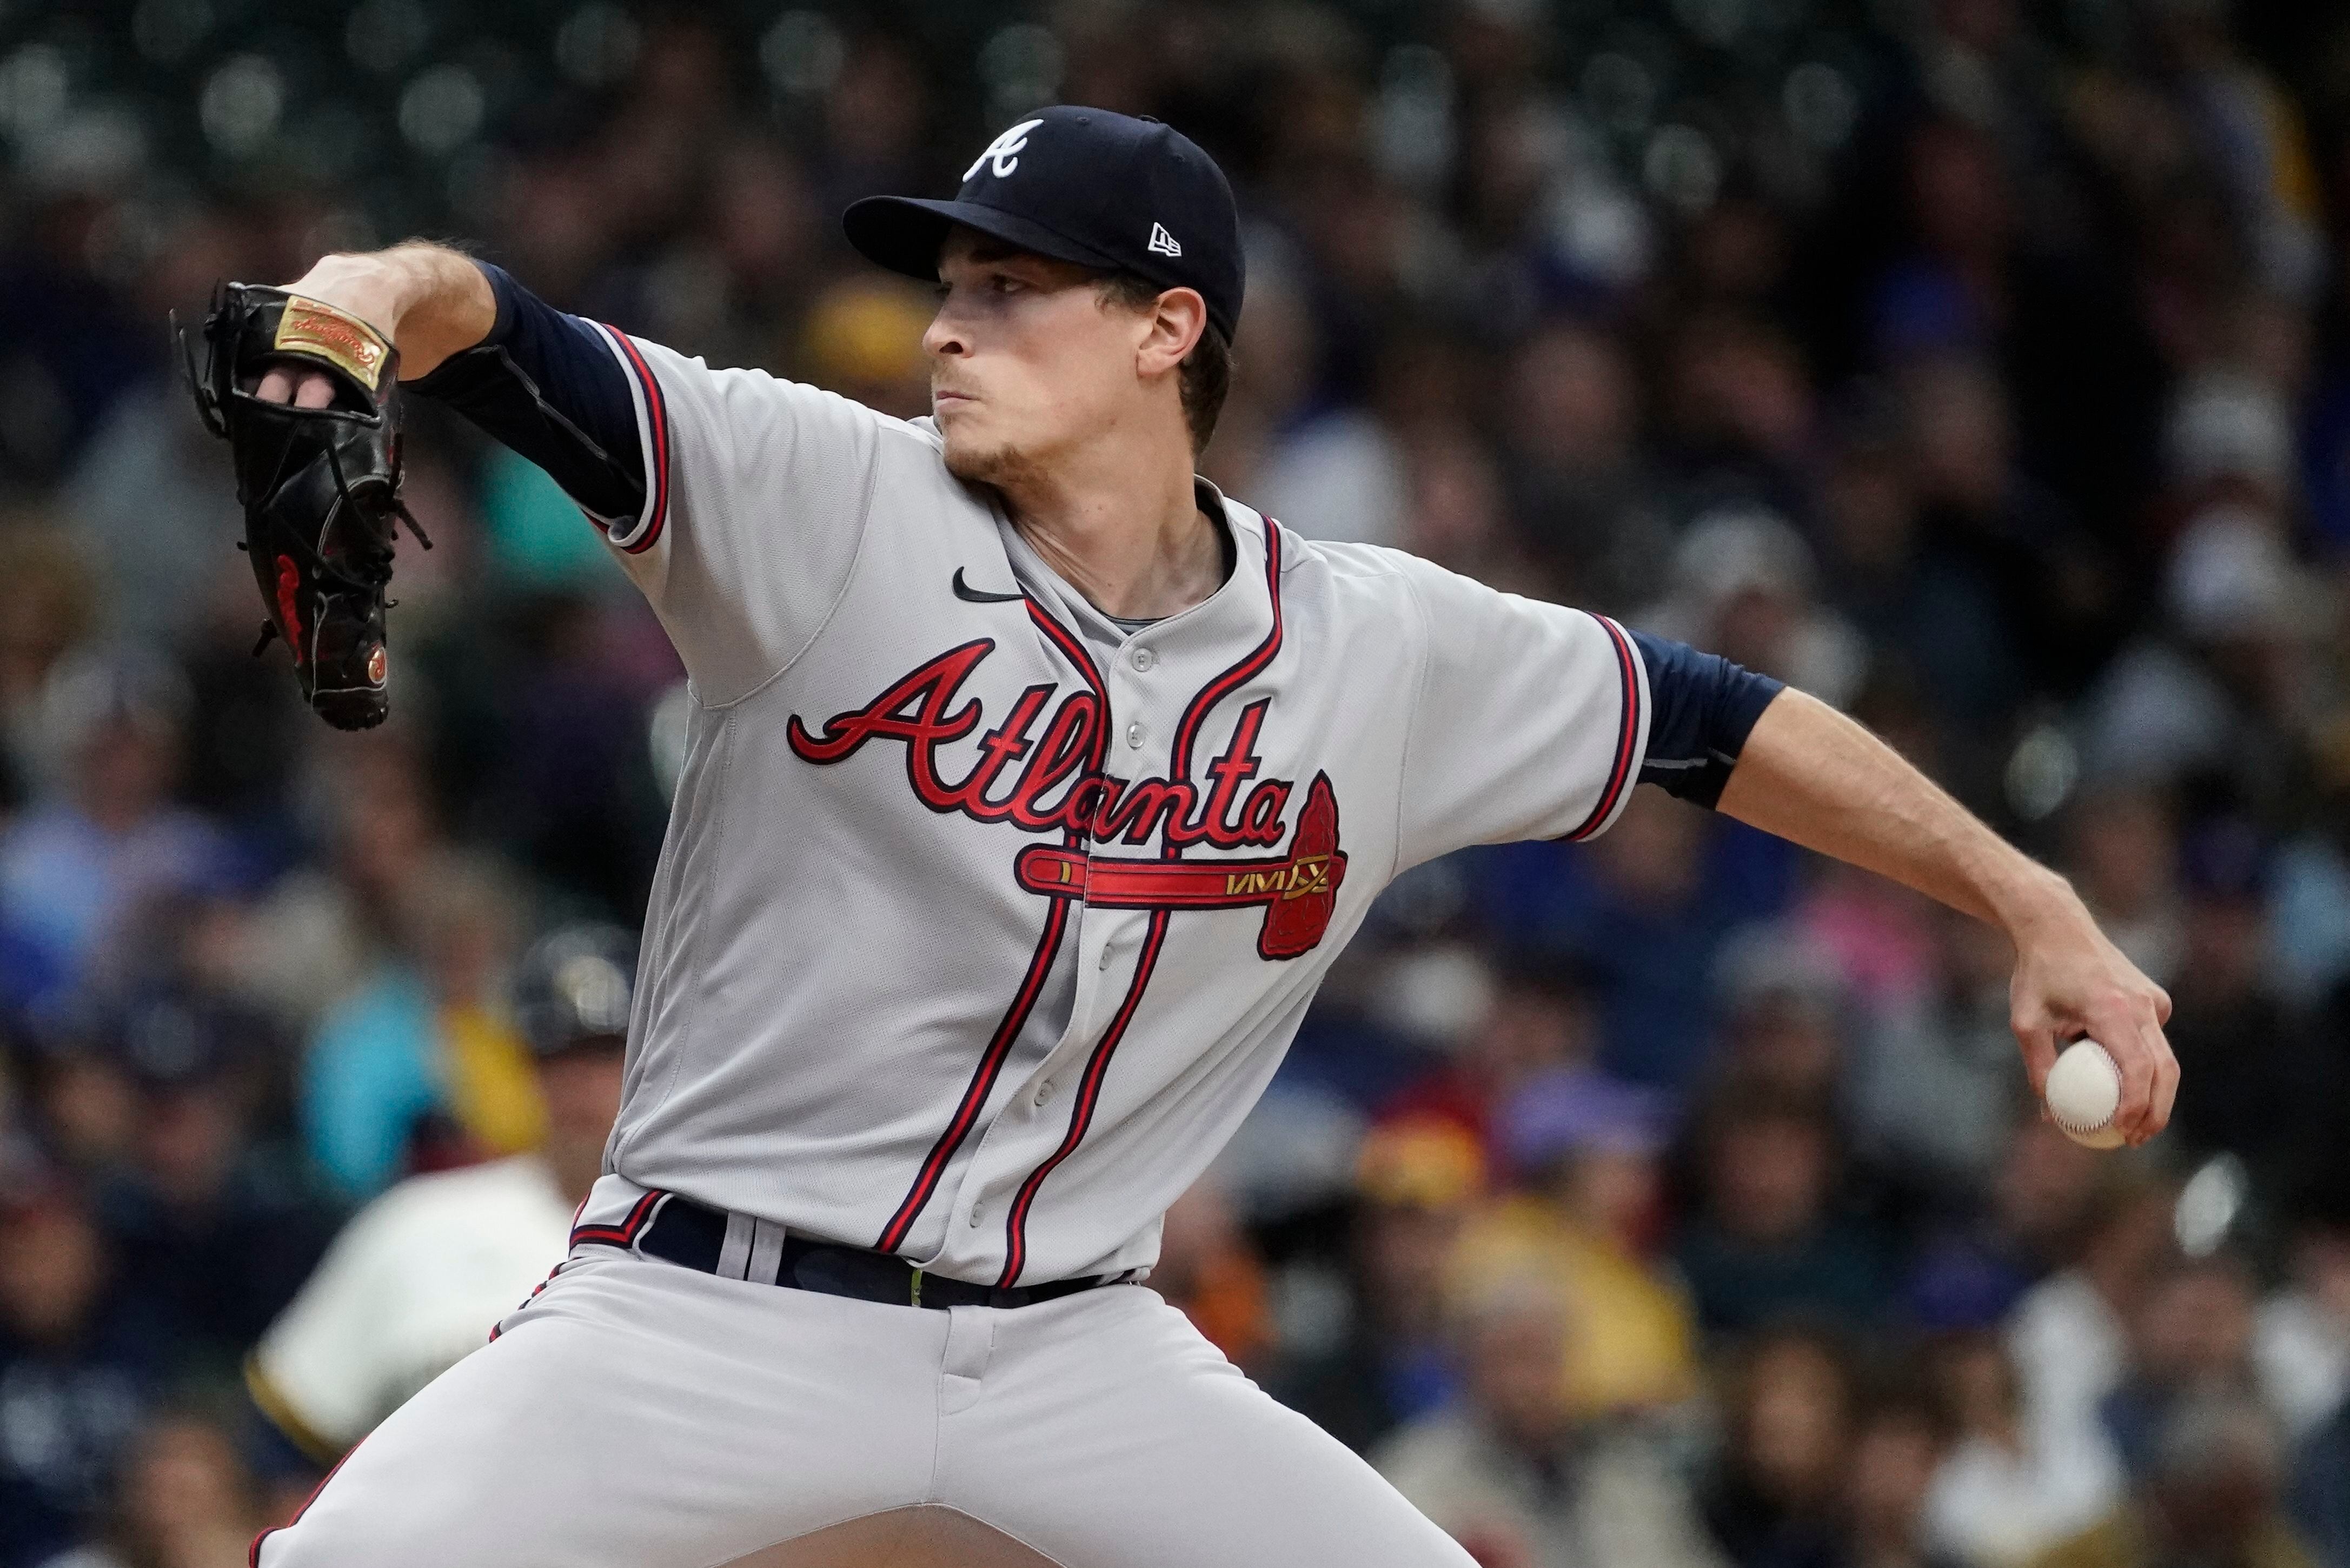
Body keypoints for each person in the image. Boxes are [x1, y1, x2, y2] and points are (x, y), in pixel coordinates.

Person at [230, 104, 2174, 1567]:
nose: (948, 326)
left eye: (1012, 287)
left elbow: (1716, 726)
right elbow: (515, 340)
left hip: (1081, 1347)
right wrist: (371, 297)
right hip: (699, 1308)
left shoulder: (1376, 642)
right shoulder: (822, 499)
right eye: (949, 283)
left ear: (1171, 329)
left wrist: (2028, 894)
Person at [244, 925, 634, 1468]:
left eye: (607, 1056)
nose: (583, 1087)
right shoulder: (415, 1222)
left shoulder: (722, 1244)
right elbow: (291, 1431)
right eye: (557, 1058)